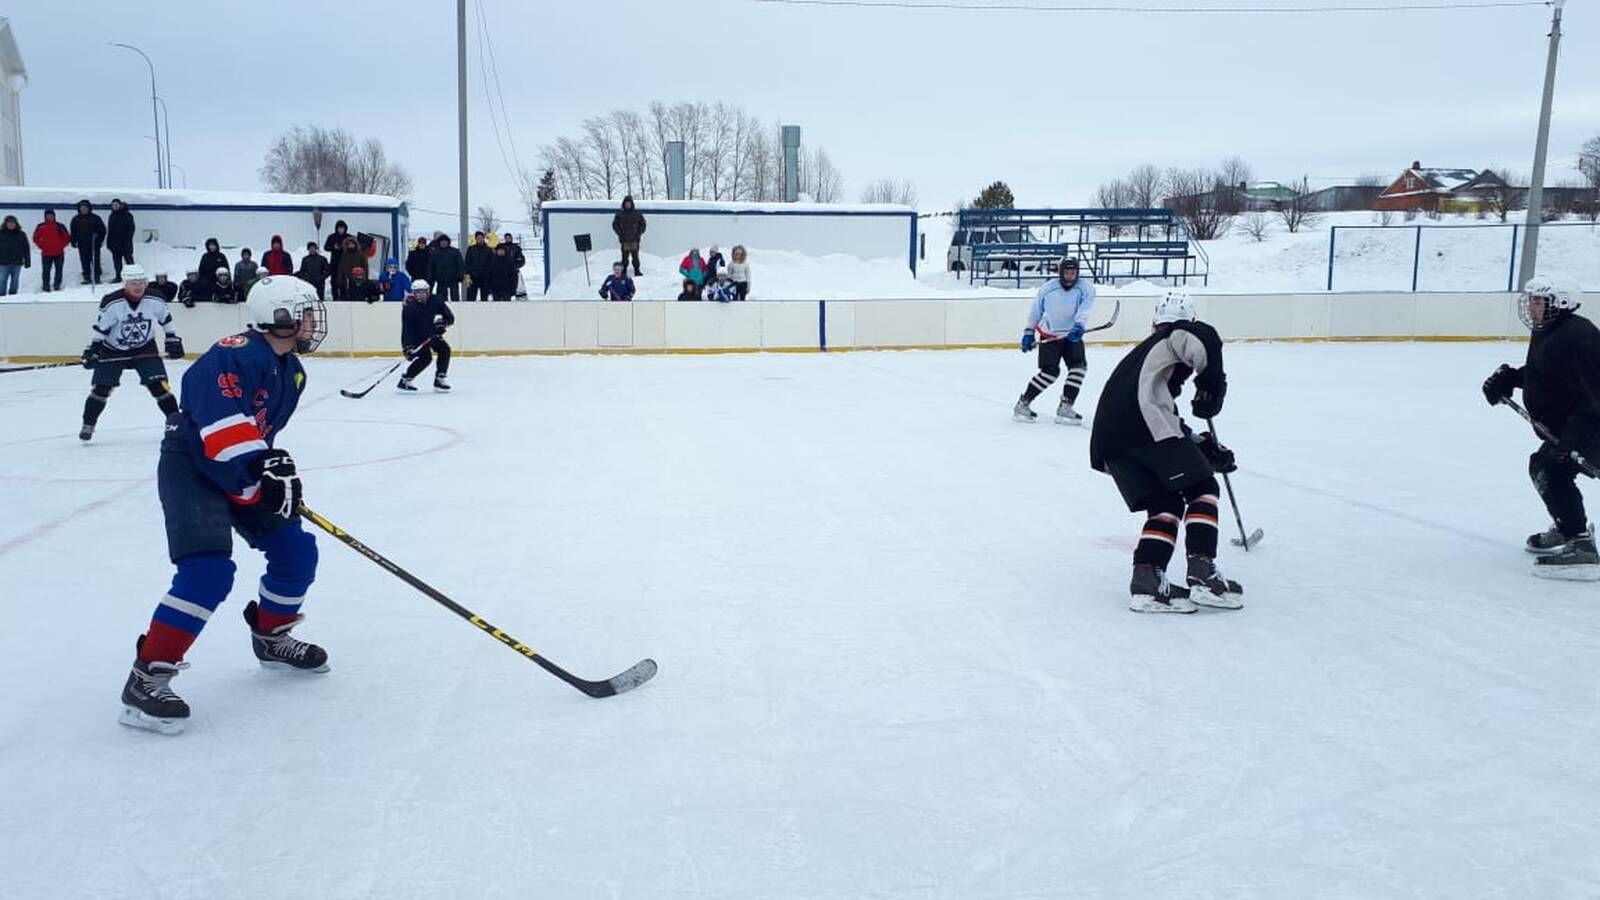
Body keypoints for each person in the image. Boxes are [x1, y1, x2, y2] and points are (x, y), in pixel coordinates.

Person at [116, 275, 330, 735]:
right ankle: (147, 676)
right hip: (192, 466)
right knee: (209, 572)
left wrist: (266, 474)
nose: (315, 321)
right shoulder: (232, 354)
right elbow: (217, 423)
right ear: (280, 317)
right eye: (307, 312)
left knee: (296, 551)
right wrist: (262, 465)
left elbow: (258, 432)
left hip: (236, 467)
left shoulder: (292, 371)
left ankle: (271, 637)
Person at [1089, 289, 1240, 614]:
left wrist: (1200, 447)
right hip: (1144, 428)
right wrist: (1211, 387)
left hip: (1110, 444)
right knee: (1202, 488)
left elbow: (1162, 411)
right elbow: (1202, 338)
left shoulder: (1143, 360)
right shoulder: (1175, 336)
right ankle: (1203, 572)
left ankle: (1147, 581)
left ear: (1154, 321)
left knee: (1165, 502)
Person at [1482, 275, 1600, 579]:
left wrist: (1573, 441)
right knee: (1543, 466)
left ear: (1558, 303)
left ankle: (1582, 548)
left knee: (1551, 468)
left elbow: (1595, 395)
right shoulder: (1548, 330)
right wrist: (1511, 380)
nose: (1531, 307)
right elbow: (1547, 374)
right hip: (1577, 425)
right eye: (1531, 300)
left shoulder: (1578, 336)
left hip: (1590, 425)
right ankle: (1570, 529)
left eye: (1538, 301)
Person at [78, 264, 184, 443]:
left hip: (145, 348)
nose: (139, 286)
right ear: (125, 283)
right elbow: (101, 329)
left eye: (142, 282)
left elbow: (166, 319)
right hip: (112, 350)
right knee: (101, 389)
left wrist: (172, 339)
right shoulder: (112, 303)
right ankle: (88, 425)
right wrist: (93, 349)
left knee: (159, 386)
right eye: (134, 282)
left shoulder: (155, 299)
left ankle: (178, 425)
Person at [1013, 257, 1097, 425]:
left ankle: (1066, 406)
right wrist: (1029, 331)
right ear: (1060, 273)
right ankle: (1023, 403)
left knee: (1078, 368)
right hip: (1049, 334)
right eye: (1067, 272)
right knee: (1050, 372)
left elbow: (1084, 309)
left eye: (1073, 273)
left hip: (1072, 334)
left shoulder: (1086, 288)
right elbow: (1036, 310)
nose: (1070, 276)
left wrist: (1079, 325)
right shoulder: (1048, 288)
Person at [398, 278, 454, 392]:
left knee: (445, 349)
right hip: (418, 337)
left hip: (432, 334)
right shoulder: (409, 309)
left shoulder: (436, 301)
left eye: (423, 292)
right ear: (413, 293)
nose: (420, 295)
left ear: (428, 291)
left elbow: (450, 317)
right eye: (417, 292)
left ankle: (440, 378)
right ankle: (406, 380)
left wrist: (443, 324)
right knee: (426, 358)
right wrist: (407, 347)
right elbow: (407, 329)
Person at [70, 199, 106, 285]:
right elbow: (73, 231)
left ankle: (97, 277)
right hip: (82, 244)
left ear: (89, 208)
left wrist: (99, 239)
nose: (84, 209)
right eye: (82, 208)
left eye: (85, 207)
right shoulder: (76, 219)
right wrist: (73, 241)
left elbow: (103, 230)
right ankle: (87, 277)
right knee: (84, 261)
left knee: (95, 261)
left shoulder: (95, 218)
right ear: (79, 209)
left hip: (94, 244)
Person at [32, 209, 70, 292]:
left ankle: (57, 285)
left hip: (59, 253)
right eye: (48, 215)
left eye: (51, 215)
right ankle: (46, 286)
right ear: (45, 216)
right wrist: (41, 246)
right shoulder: (41, 226)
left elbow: (67, 238)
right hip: (46, 253)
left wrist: (61, 246)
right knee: (46, 271)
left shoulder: (60, 226)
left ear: (54, 216)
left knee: (59, 270)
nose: (50, 217)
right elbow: (35, 238)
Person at [612, 195, 646, 276]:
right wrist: (620, 234)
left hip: (635, 239)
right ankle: (623, 272)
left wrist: (638, 234)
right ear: (624, 204)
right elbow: (615, 225)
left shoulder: (637, 214)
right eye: (626, 203)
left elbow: (643, 224)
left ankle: (637, 271)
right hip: (624, 240)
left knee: (635, 257)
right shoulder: (620, 214)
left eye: (629, 203)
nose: (628, 205)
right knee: (624, 258)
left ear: (632, 204)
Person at [428, 234, 464, 303]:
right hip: (441, 280)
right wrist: (430, 277)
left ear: (448, 242)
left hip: (453, 280)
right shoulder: (435, 253)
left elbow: (460, 265)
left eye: (445, 241)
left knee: (455, 299)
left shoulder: (455, 252)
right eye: (442, 241)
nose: (443, 243)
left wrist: (460, 275)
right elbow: (431, 266)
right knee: (441, 300)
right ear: (439, 242)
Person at [107, 198, 136, 281]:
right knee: (117, 261)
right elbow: (110, 230)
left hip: (125, 243)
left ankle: (133, 276)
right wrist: (109, 243)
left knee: (129, 260)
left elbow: (131, 229)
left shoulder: (127, 215)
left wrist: (127, 240)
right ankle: (118, 276)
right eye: (113, 205)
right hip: (114, 244)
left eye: (116, 205)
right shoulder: (111, 216)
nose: (115, 206)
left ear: (120, 205)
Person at [0, 214, 30, 295]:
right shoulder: (1, 234)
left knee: (15, 280)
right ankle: (1, 296)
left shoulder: (21, 234)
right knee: (2, 280)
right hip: (3, 262)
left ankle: (13, 296)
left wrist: (27, 261)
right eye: (9, 222)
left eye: (12, 222)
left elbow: (26, 248)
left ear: (16, 224)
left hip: (17, 262)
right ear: (5, 224)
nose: (11, 224)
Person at [463, 231, 493, 302]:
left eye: (481, 238)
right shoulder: (471, 249)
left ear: (483, 238)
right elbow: (467, 263)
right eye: (478, 238)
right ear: (475, 239)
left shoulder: (488, 250)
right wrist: (467, 275)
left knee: (484, 299)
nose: (479, 239)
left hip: (485, 278)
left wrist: (489, 275)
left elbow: (491, 264)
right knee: (470, 299)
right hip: (473, 278)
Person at [334, 235, 364, 300]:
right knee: (345, 297)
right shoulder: (344, 255)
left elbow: (365, 267)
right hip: (345, 280)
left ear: (355, 244)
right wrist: (339, 280)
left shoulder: (360, 254)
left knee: (356, 296)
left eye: (352, 244)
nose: (351, 245)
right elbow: (340, 268)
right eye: (349, 244)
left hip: (357, 280)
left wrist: (364, 279)